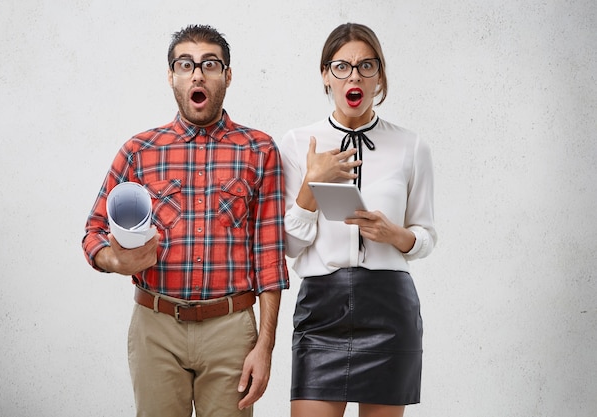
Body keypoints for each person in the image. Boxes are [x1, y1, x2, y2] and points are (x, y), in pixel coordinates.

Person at [82, 24, 289, 417]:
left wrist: (265, 347)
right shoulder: (138, 151)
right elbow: (93, 233)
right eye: (186, 64)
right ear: (171, 76)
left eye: (210, 63)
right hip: (155, 326)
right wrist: (114, 260)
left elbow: (270, 260)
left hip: (230, 329)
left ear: (227, 75)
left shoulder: (259, 150)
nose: (198, 73)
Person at [280, 23, 437, 417]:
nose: (354, 76)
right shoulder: (298, 143)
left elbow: (427, 235)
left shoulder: (410, 145)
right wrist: (309, 189)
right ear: (325, 75)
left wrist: (396, 235)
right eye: (342, 66)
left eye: (367, 66)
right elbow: (288, 246)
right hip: (321, 309)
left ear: (379, 76)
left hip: (389, 308)